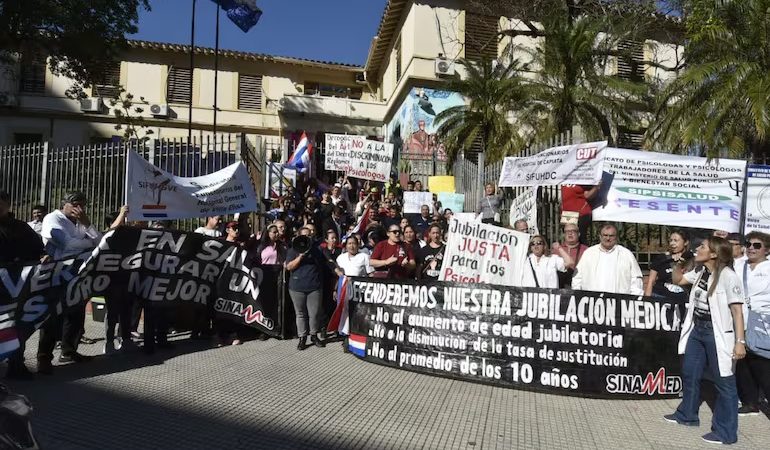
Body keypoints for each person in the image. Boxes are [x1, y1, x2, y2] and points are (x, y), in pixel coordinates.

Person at [665, 236, 746, 445]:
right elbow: (678, 280)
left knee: (724, 382)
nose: (697, 249)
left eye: (702, 247)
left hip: (717, 333)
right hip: (697, 330)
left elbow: (738, 312)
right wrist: (677, 263)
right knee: (690, 372)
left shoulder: (729, 277)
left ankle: (726, 432)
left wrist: (740, 342)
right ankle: (687, 415)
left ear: (713, 253)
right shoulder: (701, 272)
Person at [37, 191, 103, 374]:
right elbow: (67, 244)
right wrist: (89, 244)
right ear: (64, 204)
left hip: (78, 273)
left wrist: (87, 224)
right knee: (53, 316)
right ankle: (44, 357)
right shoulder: (53, 219)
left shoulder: (81, 222)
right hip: (57, 274)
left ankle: (69, 350)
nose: (79, 209)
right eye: (75, 205)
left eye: (82, 205)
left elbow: (98, 240)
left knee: (76, 313)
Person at [0, 191, 45, 380]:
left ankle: (16, 364)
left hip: (17, 286)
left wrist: (43, 257)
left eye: (1, 202)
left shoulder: (21, 228)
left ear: (8, 205)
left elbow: (38, 249)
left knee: (16, 325)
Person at [735, 232, 770, 416]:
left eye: (757, 245)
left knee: (762, 364)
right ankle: (750, 402)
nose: (751, 248)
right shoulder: (739, 265)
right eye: (748, 244)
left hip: (763, 321)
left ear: (767, 250)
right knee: (743, 362)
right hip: (742, 319)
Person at [571, 223, 643, 295]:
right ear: (600, 236)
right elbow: (577, 278)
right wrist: (577, 296)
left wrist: (635, 299)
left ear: (616, 237)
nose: (608, 238)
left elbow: (636, 280)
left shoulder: (626, 254)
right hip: (592, 301)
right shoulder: (589, 253)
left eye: (611, 236)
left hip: (619, 301)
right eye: (605, 235)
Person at [285, 227, 326, 350]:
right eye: (304, 235)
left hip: (314, 286)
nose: (308, 237)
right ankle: (302, 337)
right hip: (297, 287)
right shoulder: (293, 250)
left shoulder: (317, 249)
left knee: (314, 314)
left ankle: (314, 335)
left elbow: (325, 263)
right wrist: (301, 256)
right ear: (299, 236)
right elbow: (289, 267)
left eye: (309, 235)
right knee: (300, 314)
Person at [645, 229, 694, 301]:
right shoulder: (662, 258)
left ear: (685, 242)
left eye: (676, 240)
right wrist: (647, 299)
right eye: (671, 240)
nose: (672, 243)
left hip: (682, 300)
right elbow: (651, 280)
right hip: (660, 296)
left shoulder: (692, 259)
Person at [556, 223, 588, 289]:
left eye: (573, 231)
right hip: (560, 288)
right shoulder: (556, 250)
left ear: (578, 234)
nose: (570, 233)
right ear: (564, 234)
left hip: (580, 287)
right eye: (567, 231)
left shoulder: (587, 250)